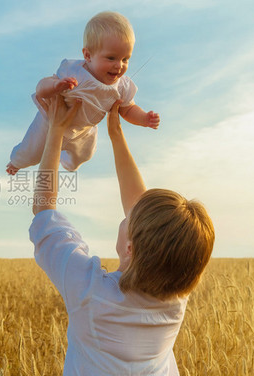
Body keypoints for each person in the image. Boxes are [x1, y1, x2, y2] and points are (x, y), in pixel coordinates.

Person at [29, 95, 215, 375]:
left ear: (129, 249)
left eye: (130, 218)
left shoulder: (87, 290)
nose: (128, 211)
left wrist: (55, 130)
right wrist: (116, 135)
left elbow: (44, 210)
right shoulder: (176, 299)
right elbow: (142, 214)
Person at [7, 11, 160, 176]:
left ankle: (66, 161)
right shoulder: (74, 72)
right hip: (50, 123)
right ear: (88, 55)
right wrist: (56, 85)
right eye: (111, 58)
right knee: (31, 153)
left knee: (85, 155)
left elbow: (128, 109)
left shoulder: (122, 85)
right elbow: (41, 88)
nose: (119, 66)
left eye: (125, 59)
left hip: (84, 130)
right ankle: (15, 162)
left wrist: (144, 118)